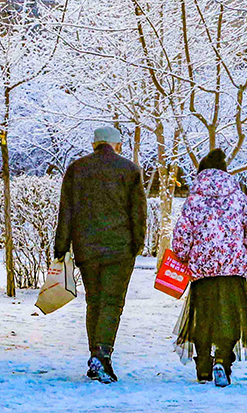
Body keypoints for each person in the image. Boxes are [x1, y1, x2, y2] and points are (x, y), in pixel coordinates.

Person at [171, 148, 247, 387]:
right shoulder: (238, 198)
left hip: (202, 270)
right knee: (231, 317)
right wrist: (245, 254)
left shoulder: (194, 200)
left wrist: (184, 257)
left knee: (202, 318)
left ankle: (203, 367)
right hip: (232, 270)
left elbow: (181, 237)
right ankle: (223, 361)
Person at [54, 126, 146, 384]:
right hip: (119, 248)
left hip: (87, 248)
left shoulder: (77, 169)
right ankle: (102, 355)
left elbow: (66, 210)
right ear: (117, 145)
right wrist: (137, 244)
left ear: (95, 144)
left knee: (94, 302)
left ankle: (96, 356)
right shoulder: (129, 170)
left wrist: (62, 245)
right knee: (112, 302)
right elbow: (138, 212)